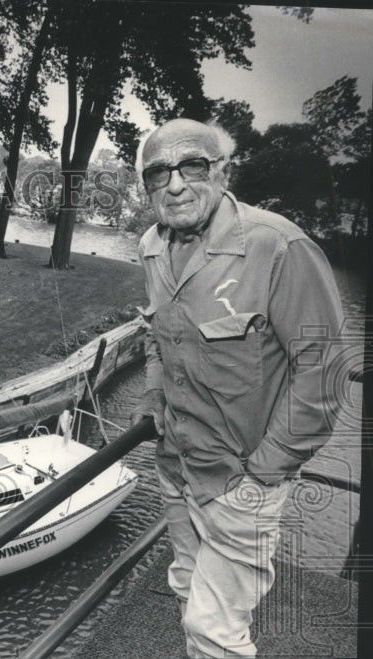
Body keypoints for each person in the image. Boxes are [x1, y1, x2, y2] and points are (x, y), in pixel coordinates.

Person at [129, 118, 345, 657]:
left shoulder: (278, 246)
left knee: (214, 629)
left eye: (192, 166)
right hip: (176, 467)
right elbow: (156, 337)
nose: (175, 184)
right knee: (185, 587)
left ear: (222, 171)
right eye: (158, 173)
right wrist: (153, 399)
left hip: (240, 480)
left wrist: (263, 472)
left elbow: (324, 372)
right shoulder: (152, 247)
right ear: (147, 187)